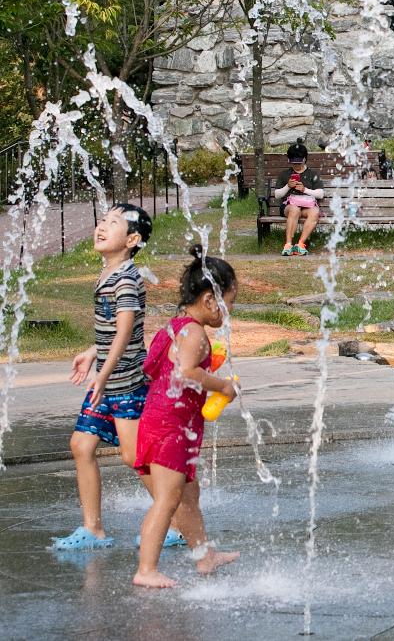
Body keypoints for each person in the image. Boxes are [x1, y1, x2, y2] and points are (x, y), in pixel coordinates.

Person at [54, 204, 173, 551]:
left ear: (132, 239)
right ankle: (93, 529)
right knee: (81, 445)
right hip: (110, 378)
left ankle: (174, 522)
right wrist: (94, 351)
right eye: (102, 220)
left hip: (126, 382)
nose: (102, 227)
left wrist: (102, 374)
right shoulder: (110, 274)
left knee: (134, 457)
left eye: (114, 223)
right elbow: (119, 331)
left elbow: (124, 333)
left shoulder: (125, 279)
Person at [132, 245, 240, 587]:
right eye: (229, 301)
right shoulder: (194, 333)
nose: (230, 310)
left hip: (167, 421)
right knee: (167, 499)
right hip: (170, 427)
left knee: (189, 495)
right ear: (210, 300)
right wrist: (221, 385)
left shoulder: (175, 327)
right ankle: (145, 570)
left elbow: (153, 367)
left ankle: (204, 555)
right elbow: (186, 373)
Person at [272, 140, 325, 257]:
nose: (296, 164)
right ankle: (288, 245)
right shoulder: (285, 174)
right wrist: (288, 186)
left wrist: (304, 190)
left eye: (299, 162)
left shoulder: (312, 174)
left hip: (307, 207)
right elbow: (277, 195)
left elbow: (320, 194)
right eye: (293, 162)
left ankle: (300, 244)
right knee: (294, 209)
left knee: (315, 212)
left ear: (305, 159)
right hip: (289, 207)